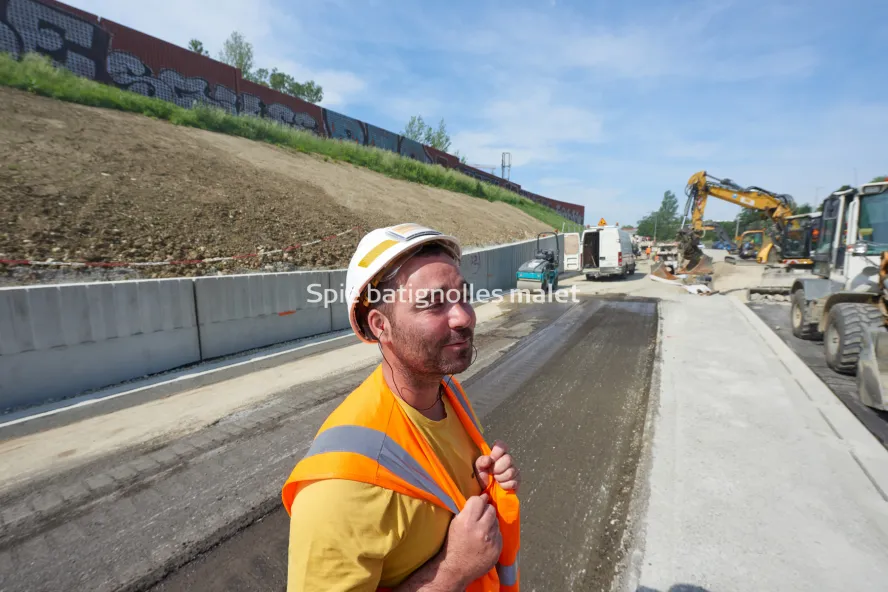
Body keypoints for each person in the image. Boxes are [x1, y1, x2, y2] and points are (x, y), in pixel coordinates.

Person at [281, 223, 522, 591]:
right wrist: (453, 570)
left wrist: (483, 485)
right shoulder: (339, 490)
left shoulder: (447, 394)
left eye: (462, 295)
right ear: (381, 326)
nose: (464, 316)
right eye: (433, 303)